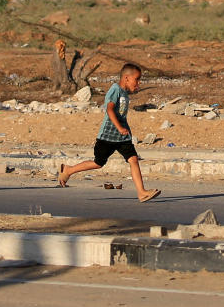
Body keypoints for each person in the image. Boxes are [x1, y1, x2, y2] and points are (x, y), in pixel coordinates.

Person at [57, 63, 160, 202]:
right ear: (126, 78)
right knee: (98, 163)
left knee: (133, 160)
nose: (138, 82)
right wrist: (118, 127)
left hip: (122, 138)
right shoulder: (115, 89)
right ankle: (68, 170)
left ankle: (141, 192)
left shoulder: (125, 94)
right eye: (137, 79)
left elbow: (121, 115)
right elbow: (109, 109)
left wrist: (125, 130)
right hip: (108, 136)